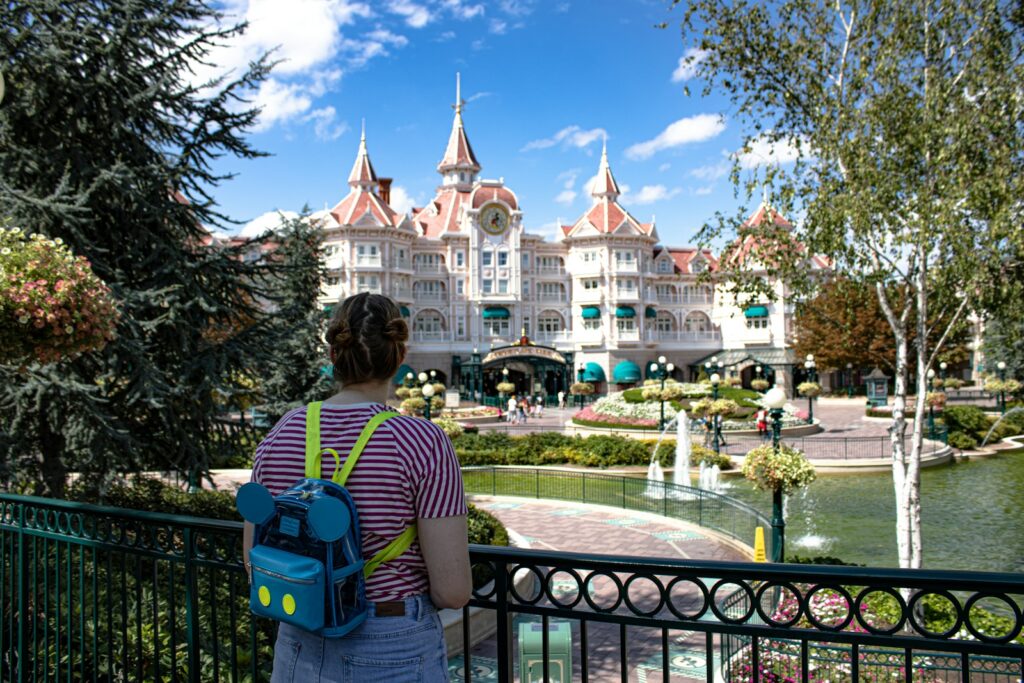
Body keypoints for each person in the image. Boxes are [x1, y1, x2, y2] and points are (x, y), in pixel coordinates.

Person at [244, 292, 470, 683]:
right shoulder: (423, 440)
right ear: (399, 357)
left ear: (333, 355)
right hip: (391, 644)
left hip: (297, 638)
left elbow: (253, 559)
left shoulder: (282, 432)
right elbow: (453, 592)